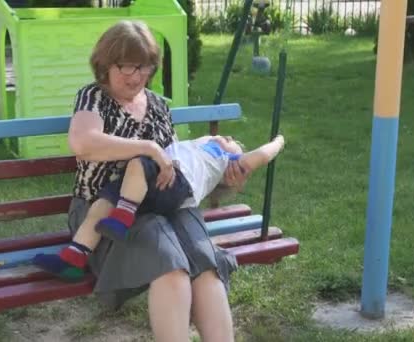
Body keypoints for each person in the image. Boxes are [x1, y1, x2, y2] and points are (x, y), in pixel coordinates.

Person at [50, 20, 251, 342]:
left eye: (144, 67)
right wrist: (147, 147)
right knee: (171, 267)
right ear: (105, 64)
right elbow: (83, 142)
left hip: (165, 204)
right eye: (126, 66)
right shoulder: (94, 98)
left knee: (205, 263)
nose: (136, 76)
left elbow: (177, 164)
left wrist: (224, 170)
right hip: (105, 212)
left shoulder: (158, 105)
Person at [34, 134, 285, 280]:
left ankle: (122, 219)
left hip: (175, 182)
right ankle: (75, 257)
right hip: (140, 188)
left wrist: (279, 142)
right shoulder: (193, 145)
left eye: (233, 142)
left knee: (137, 164)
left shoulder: (223, 159)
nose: (229, 138)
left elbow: (261, 155)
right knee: (104, 201)